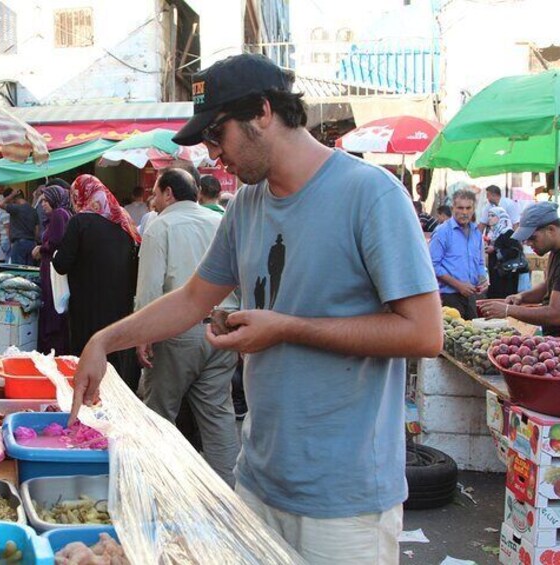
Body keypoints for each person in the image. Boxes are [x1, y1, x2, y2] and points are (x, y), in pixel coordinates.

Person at [67, 53, 442, 564]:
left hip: (343, 501)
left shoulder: (371, 195)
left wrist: (285, 328)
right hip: (260, 480)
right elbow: (194, 298)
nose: (213, 154)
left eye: (217, 136)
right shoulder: (246, 205)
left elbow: (424, 334)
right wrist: (103, 341)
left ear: (263, 112)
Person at [136, 167, 240, 485]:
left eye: (154, 193)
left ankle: (157, 488)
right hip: (224, 329)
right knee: (218, 415)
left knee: (158, 414)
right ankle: (230, 494)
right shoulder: (220, 220)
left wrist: (143, 334)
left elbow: (150, 289)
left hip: (178, 331)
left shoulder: (161, 226)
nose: (151, 201)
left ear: (169, 192)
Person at [52, 175, 140, 388]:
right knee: (115, 365)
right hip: (121, 308)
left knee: (87, 361)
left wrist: (54, 255)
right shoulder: (123, 221)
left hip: (87, 308)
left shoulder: (80, 222)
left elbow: (62, 264)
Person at [481, 202, 560, 335]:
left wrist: (508, 310)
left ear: (551, 230)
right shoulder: (554, 251)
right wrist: (521, 297)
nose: (528, 243)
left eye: (532, 238)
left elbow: (556, 314)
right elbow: (549, 286)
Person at [430, 189, 488, 320]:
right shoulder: (442, 232)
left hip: (471, 296)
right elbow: (433, 266)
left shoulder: (476, 233)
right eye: (460, 208)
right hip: (449, 297)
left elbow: (479, 262)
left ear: (473, 209)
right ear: (452, 208)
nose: (465, 212)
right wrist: (458, 285)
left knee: (473, 335)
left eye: (468, 208)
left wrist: (483, 278)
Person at [32, 185, 73, 355]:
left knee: (52, 307)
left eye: (46, 201)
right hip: (53, 269)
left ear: (55, 199)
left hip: (52, 271)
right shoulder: (65, 214)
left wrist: (40, 249)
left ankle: (52, 348)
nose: (43, 204)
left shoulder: (59, 214)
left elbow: (55, 241)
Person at [485, 206, 525, 299]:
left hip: (507, 276)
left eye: (493, 216)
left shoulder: (508, 232)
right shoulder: (494, 233)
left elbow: (515, 250)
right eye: (489, 216)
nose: (490, 218)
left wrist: (495, 249)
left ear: (501, 217)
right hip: (496, 273)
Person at [0, 187, 39, 265]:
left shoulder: (16, 208)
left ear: (14, 199)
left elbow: (1, 203)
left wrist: (11, 195)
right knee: (29, 271)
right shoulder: (33, 210)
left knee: (18, 271)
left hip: (19, 243)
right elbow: (37, 230)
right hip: (32, 243)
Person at [0, 189, 12, 260]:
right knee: (10, 261)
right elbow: (7, 227)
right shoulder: (3, 211)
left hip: (4, 239)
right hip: (7, 239)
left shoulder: (1, 210)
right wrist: (12, 241)